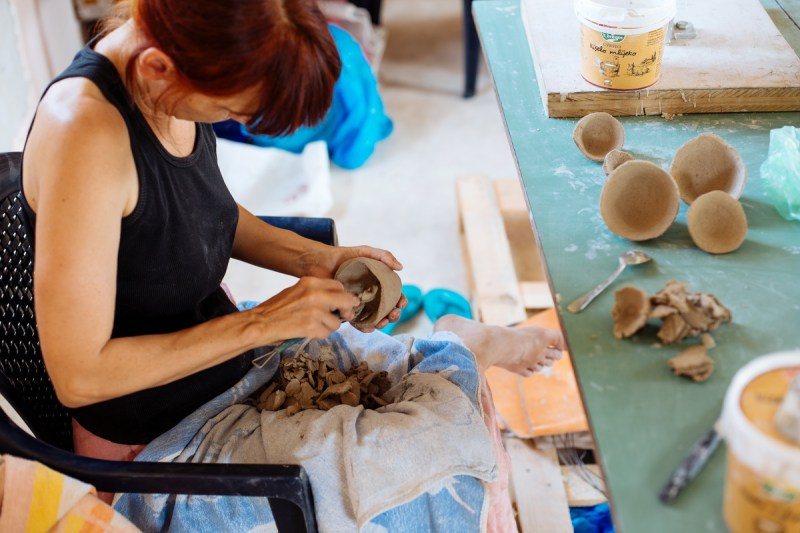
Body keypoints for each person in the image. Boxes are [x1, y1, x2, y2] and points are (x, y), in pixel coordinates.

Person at [20, 0, 565, 528]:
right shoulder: (85, 135)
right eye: (230, 111)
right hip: (160, 437)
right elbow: (80, 377)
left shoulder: (173, 80)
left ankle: (458, 349)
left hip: (226, 363)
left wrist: (317, 259)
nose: (234, 121)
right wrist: (264, 322)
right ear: (159, 67)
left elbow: (206, 211)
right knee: (437, 451)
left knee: (400, 385)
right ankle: (460, 351)